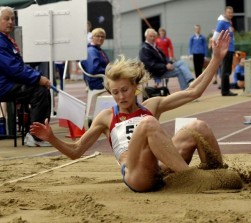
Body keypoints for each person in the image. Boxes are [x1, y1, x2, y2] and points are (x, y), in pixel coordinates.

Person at [30, 30, 230, 193]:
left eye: (124, 90)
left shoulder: (151, 105)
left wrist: (216, 59)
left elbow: (192, 92)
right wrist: (50, 138)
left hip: (159, 169)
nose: (120, 97)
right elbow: (76, 151)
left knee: (197, 126)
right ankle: (194, 179)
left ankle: (220, 175)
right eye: (115, 92)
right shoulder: (106, 117)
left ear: (135, 87)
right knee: (149, 123)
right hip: (136, 175)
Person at [0, 6, 51, 147]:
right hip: (4, 85)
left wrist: (38, 76)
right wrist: (38, 78)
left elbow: (18, 66)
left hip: (8, 83)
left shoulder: (5, 40)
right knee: (39, 91)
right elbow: (13, 69)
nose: (10, 22)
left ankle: (37, 134)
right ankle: (35, 136)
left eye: (12, 18)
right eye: (6, 19)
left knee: (40, 89)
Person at [213, 6, 237, 96]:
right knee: (225, 71)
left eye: (232, 12)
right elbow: (215, 35)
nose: (230, 14)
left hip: (230, 48)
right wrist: (216, 48)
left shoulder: (229, 22)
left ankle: (226, 89)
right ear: (225, 12)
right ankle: (225, 91)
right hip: (225, 49)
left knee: (228, 71)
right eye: (229, 12)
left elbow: (231, 36)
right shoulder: (222, 22)